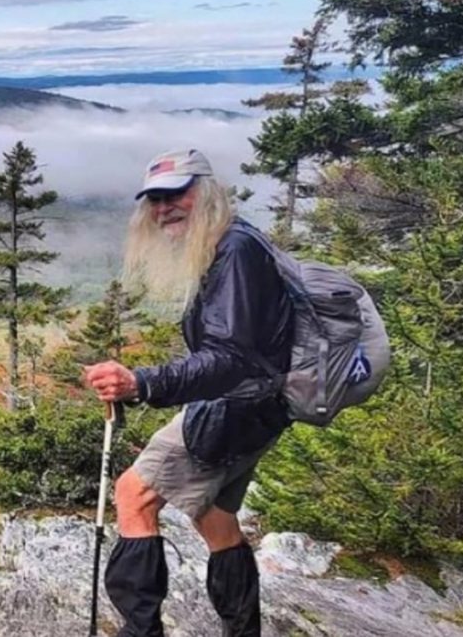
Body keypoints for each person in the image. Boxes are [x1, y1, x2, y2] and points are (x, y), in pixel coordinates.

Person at [83, 148, 294, 637]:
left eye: (176, 193)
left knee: (133, 495)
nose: (164, 208)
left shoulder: (236, 252)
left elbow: (230, 359)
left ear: (207, 191)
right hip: (263, 406)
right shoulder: (228, 243)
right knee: (214, 515)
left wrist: (142, 382)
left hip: (236, 406)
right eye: (155, 198)